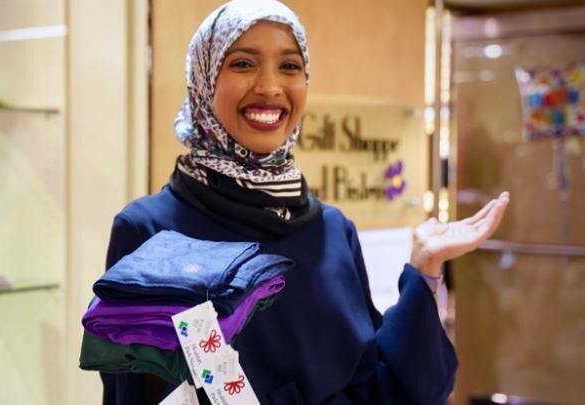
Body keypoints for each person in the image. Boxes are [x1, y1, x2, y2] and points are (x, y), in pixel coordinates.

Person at [98, 1, 510, 404]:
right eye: (243, 63)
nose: (270, 87)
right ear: (203, 80)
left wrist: (425, 270)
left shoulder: (332, 230)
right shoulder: (150, 231)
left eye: (290, 66)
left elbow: (387, 389)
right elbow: (130, 393)